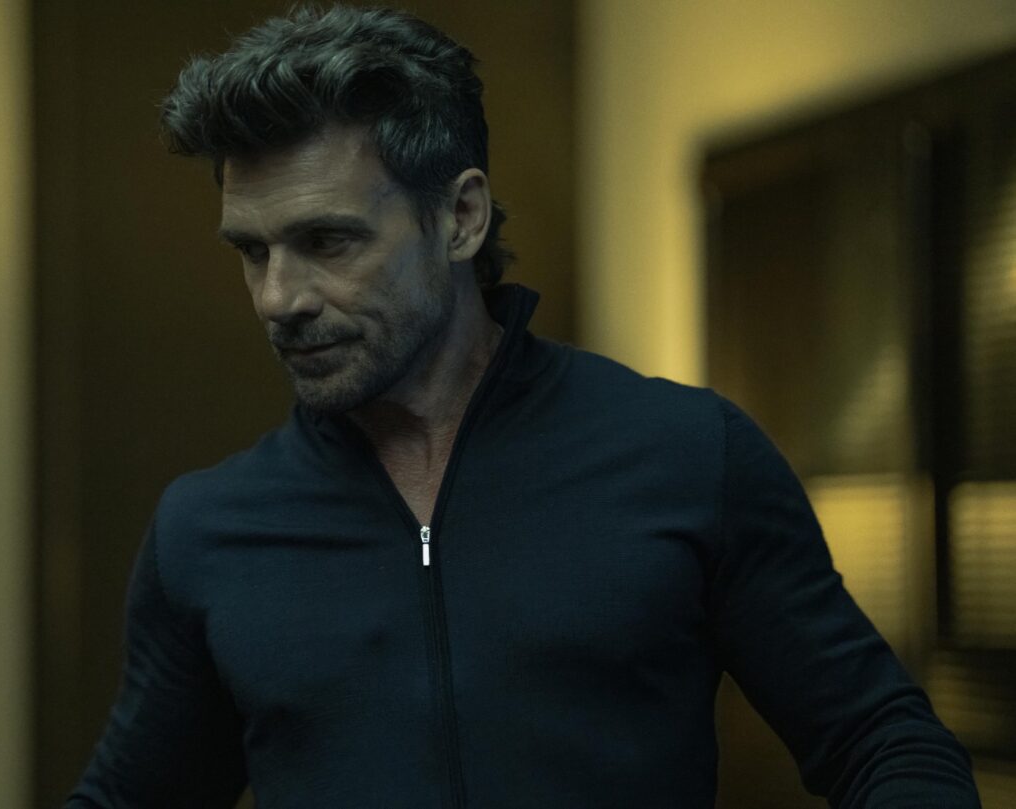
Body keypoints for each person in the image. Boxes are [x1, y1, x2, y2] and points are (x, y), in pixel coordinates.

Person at [66, 5, 981, 808]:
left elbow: (885, 743)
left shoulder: (685, 456)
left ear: (460, 218)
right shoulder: (211, 530)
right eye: (252, 251)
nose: (279, 298)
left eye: (327, 241)